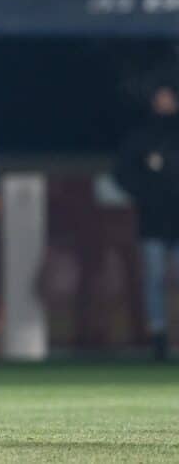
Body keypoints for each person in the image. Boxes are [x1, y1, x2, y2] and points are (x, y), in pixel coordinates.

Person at [114, 83, 179, 361]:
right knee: (154, 280)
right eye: (161, 99)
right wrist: (145, 192)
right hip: (152, 220)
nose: (165, 104)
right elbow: (122, 173)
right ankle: (159, 336)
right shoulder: (141, 138)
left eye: (169, 99)